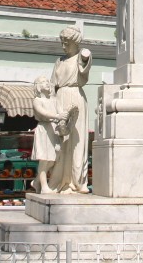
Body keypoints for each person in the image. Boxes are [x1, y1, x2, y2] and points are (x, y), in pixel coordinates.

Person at [48, 26, 92, 193]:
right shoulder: (59, 61)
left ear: (75, 43)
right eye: (62, 42)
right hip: (60, 98)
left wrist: (85, 56)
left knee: (77, 142)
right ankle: (59, 182)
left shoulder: (82, 56)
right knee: (61, 142)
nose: (63, 46)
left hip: (76, 97)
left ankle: (78, 181)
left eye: (66, 42)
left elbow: (85, 64)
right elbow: (52, 84)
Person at [30, 74, 68, 194]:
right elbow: (43, 112)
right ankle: (44, 186)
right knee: (44, 159)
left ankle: (36, 181)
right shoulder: (37, 100)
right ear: (38, 86)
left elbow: (60, 111)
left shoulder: (54, 100)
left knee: (54, 158)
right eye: (43, 81)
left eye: (47, 81)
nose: (47, 83)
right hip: (44, 129)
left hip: (54, 129)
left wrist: (64, 116)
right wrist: (57, 116)